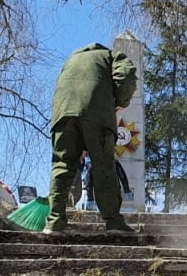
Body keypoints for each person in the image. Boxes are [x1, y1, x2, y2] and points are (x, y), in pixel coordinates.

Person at [42, 43, 138, 234]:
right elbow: (127, 76)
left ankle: (54, 222)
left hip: (62, 113)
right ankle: (113, 222)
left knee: (62, 165)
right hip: (97, 114)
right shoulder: (112, 56)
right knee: (103, 166)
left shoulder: (71, 59)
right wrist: (120, 102)